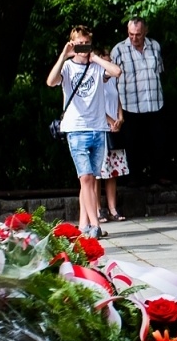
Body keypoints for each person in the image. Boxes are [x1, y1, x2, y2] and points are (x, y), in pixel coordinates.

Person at [47, 26, 121, 239]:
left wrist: (94, 57)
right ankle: (95, 225)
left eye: (86, 43)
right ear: (72, 44)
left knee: (89, 180)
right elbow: (51, 81)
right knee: (86, 177)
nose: (82, 48)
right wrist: (64, 55)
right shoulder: (68, 67)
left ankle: (82, 225)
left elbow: (117, 72)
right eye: (79, 44)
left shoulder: (96, 66)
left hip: (98, 128)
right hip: (76, 128)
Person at [112, 18, 166, 184]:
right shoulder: (119, 50)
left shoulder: (155, 46)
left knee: (158, 141)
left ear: (145, 32)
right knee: (132, 144)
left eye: (138, 35)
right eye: (131, 34)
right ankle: (133, 178)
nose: (134, 38)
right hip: (130, 104)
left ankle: (160, 175)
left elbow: (160, 71)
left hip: (154, 103)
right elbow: (112, 78)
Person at [95, 45, 129, 221]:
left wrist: (120, 117)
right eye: (107, 55)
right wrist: (110, 121)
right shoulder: (95, 77)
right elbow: (95, 103)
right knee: (98, 172)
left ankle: (113, 207)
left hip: (115, 127)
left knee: (112, 171)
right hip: (101, 127)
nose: (110, 58)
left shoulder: (113, 78)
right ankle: (98, 209)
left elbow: (117, 99)